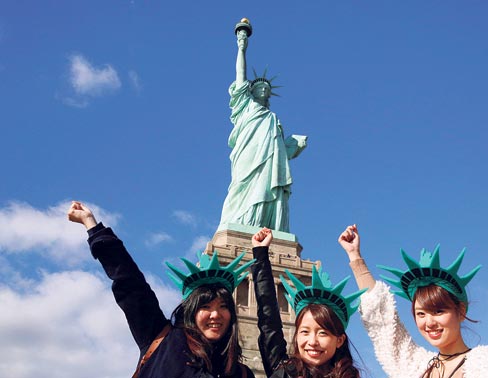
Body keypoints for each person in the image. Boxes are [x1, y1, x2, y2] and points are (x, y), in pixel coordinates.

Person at [68, 201, 255, 378]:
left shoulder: (241, 374)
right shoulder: (163, 339)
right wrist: (93, 226)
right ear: (191, 311)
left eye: (223, 306)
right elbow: (130, 283)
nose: (215, 314)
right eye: (205, 307)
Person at [338, 225, 488, 378]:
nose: (429, 322)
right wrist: (355, 258)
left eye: (438, 311)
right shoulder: (417, 366)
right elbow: (382, 323)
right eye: (421, 313)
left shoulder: (486, 363)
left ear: (460, 311)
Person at [218, 19, 307, 233]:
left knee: (268, 186)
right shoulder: (244, 106)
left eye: (267, 88)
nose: (264, 89)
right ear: (250, 90)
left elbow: (279, 150)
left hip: (271, 161)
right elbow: (241, 75)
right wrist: (242, 48)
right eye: (259, 86)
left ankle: (266, 227)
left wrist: (292, 145)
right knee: (241, 185)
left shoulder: (272, 118)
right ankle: (240, 223)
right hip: (247, 154)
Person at [250, 227, 364, 378]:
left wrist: (356, 258)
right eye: (304, 331)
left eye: (322, 333)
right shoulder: (286, 372)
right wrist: (260, 254)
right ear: (296, 336)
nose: (312, 342)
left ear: (340, 340)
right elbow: (268, 320)